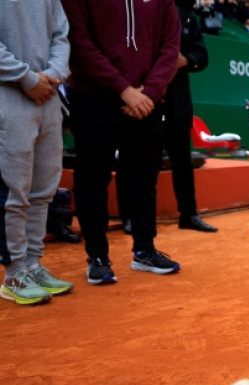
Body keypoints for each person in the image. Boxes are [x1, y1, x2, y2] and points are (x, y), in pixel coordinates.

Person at [63, 0, 182, 285]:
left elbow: (170, 47)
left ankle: (144, 250)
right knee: (93, 179)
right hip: (93, 98)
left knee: (144, 179)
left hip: (147, 100)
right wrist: (124, 90)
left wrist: (150, 92)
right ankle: (98, 257)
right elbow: (79, 43)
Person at [0, 0, 73, 305]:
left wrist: (53, 74)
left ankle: (32, 264)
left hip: (48, 97)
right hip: (8, 96)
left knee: (43, 191)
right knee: (13, 192)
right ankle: (14, 273)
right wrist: (27, 78)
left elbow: (61, 35)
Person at [165, 0, 218, 233]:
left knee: (182, 160)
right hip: (148, 95)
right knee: (142, 159)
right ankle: (133, 217)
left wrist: (185, 60)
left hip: (178, 97)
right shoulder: (152, 11)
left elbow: (202, 56)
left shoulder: (190, 19)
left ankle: (188, 214)